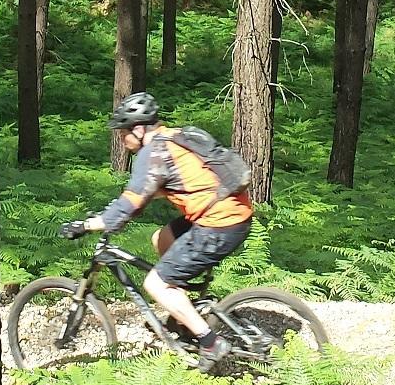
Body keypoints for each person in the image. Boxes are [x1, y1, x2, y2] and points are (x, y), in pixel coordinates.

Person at [61, 91, 254, 369]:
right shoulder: (175, 136)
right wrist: (122, 205)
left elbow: (134, 202)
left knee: (155, 283)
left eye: (123, 132)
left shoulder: (153, 153)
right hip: (230, 211)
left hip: (219, 222)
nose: (121, 138)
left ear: (139, 129)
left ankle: (211, 343)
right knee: (161, 239)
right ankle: (184, 312)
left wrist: (88, 224)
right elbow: (176, 182)